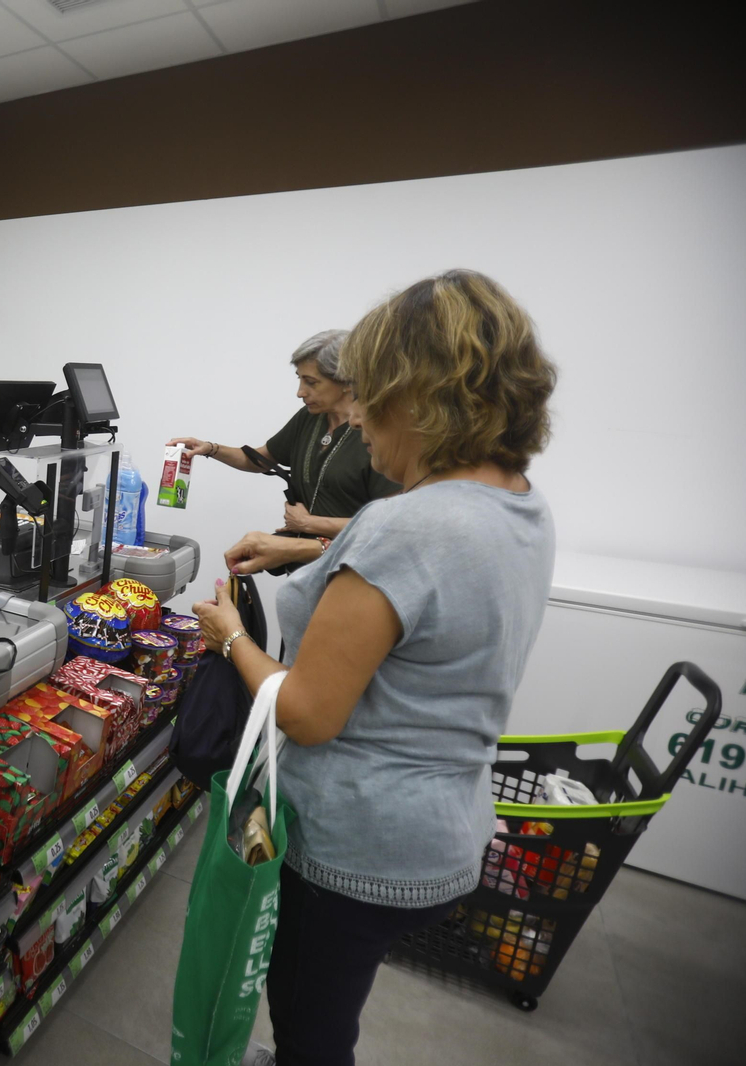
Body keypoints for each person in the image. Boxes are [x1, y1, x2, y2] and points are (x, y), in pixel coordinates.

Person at [191, 270, 558, 1066]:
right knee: (328, 1009)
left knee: (311, 1024)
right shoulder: (519, 502)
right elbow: (424, 596)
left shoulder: (404, 527)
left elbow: (308, 712)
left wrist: (228, 636)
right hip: (445, 830)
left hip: (355, 849)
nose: (354, 417)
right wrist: (311, 548)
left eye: (367, 397)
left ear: (420, 397)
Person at [170, 330, 400, 543]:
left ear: (347, 381)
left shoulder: (378, 432)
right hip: (303, 565)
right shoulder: (309, 418)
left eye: (311, 382)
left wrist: (309, 524)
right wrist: (210, 448)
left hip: (352, 571)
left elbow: (387, 525)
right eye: (299, 379)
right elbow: (258, 460)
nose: (300, 392)